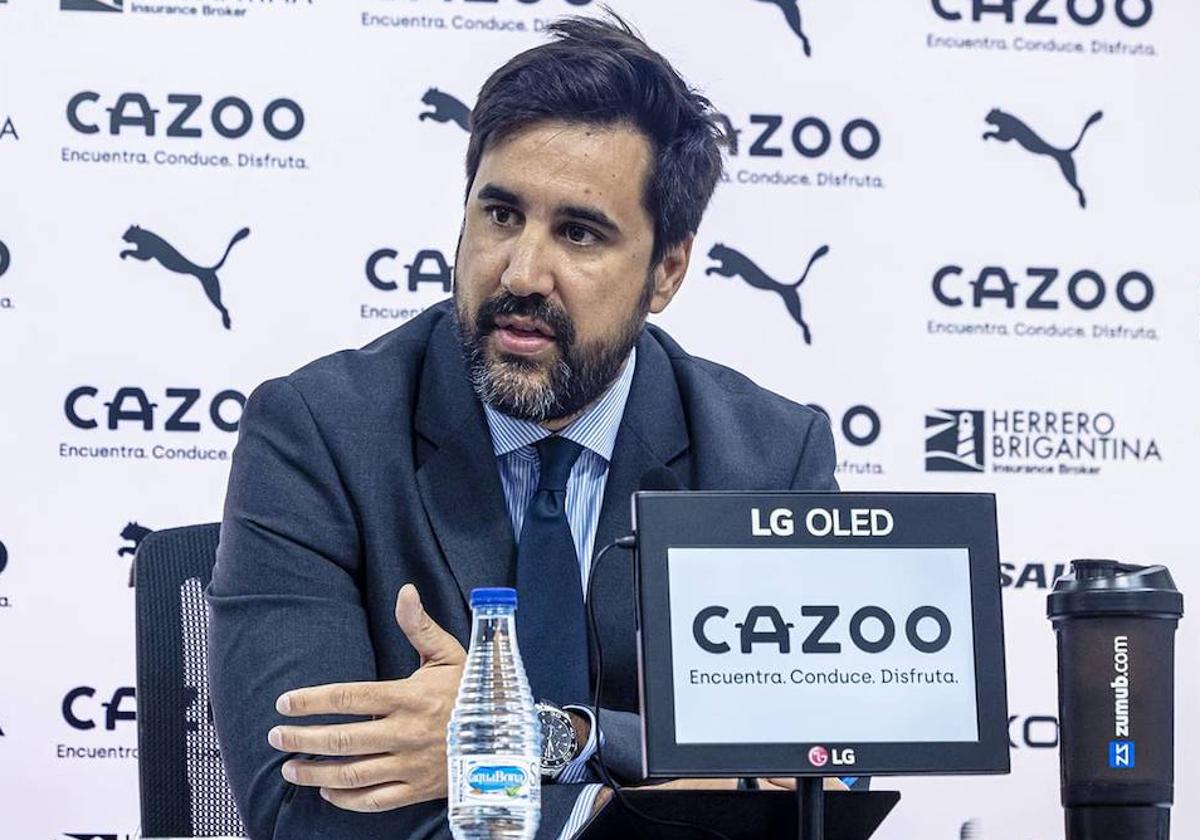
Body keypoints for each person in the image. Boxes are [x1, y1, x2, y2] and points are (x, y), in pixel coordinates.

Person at [207, 15, 841, 840]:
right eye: (501, 215)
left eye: (578, 233)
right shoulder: (318, 433)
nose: (520, 272)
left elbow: (802, 787)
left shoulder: (766, 459)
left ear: (668, 271)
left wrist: (531, 740)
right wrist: (643, 789)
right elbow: (307, 805)